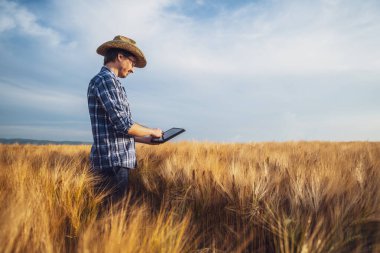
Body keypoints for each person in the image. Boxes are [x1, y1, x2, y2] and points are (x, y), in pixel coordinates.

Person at [87, 35, 163, 200]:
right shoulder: (106, 80)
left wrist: (146, 139)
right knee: (113, 217)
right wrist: (153, 131)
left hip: (113, 161)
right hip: (113, 163)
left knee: (112, 218)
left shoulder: (110, 82)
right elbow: (124, 125)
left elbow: (116, 131)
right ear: (120, 57)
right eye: (132, 63)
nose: (133, 69)